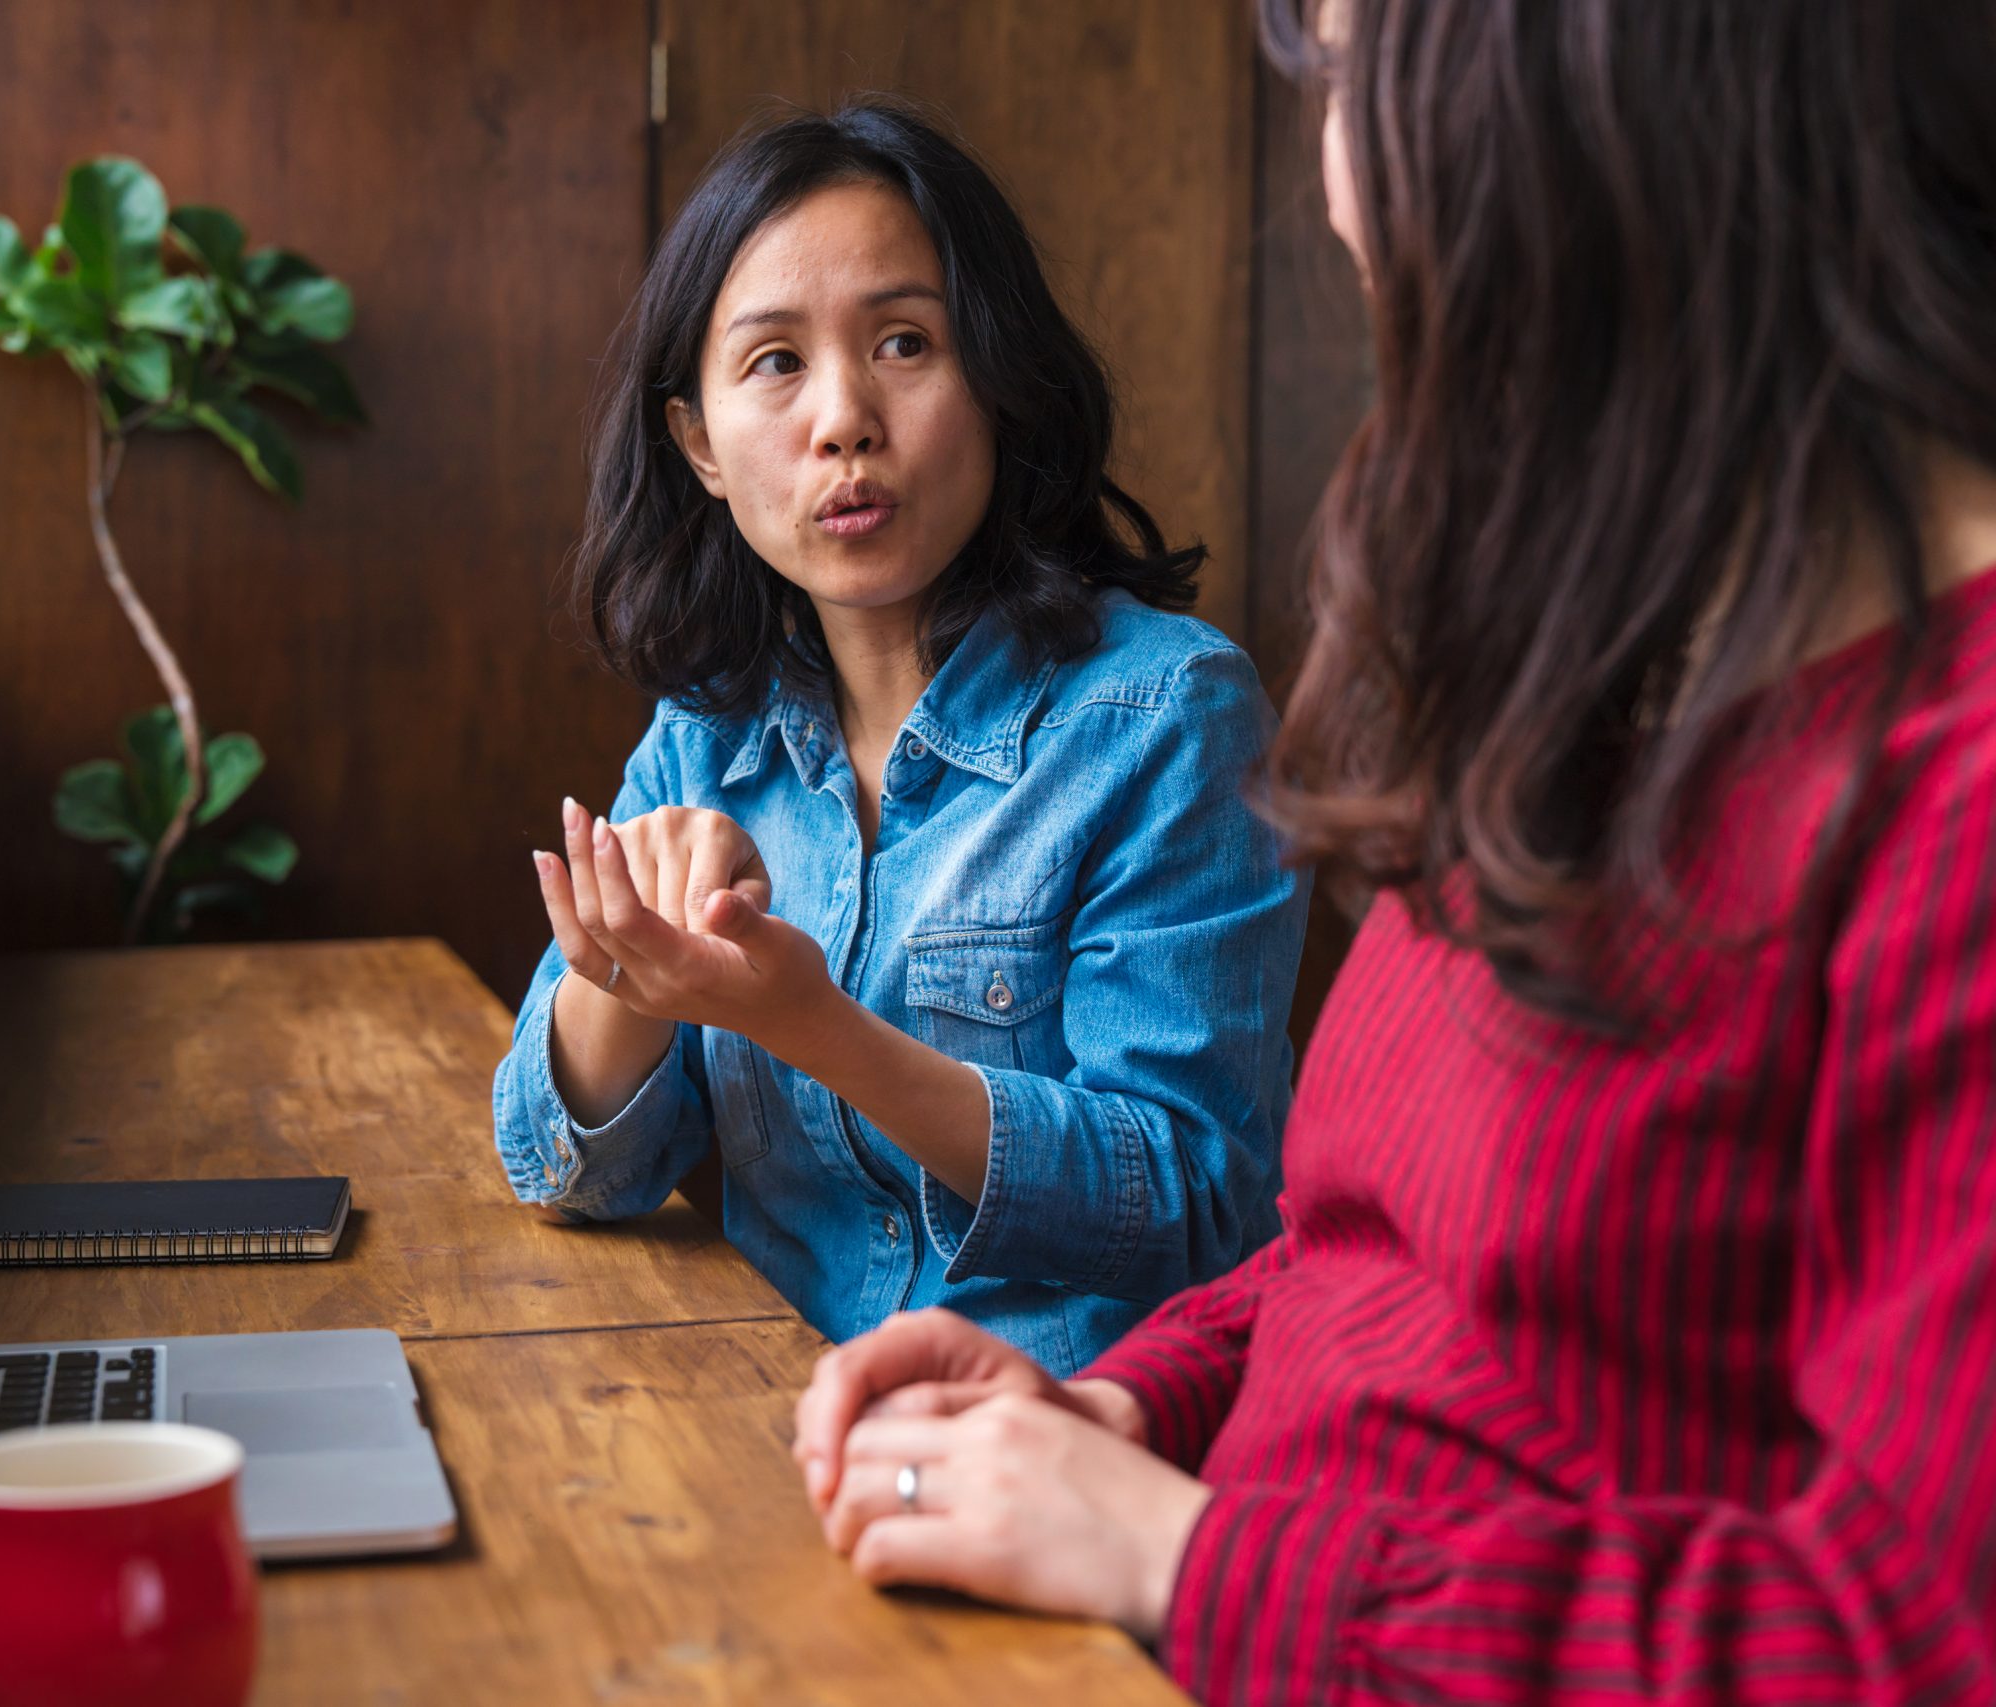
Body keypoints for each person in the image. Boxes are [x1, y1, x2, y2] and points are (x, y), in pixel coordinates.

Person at [791, 3, 1996, 1701]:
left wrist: (1178, 1552)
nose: (1344, 196)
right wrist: (1127, 1410)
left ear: (1622, 119)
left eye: (1361, 83)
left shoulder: (1953, 787)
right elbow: (1374, 1253)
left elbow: (1914, 1644)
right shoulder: (1620, 661)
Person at [490, 101, 1309, 1375]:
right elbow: (561, 1172)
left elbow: (1194, 1202)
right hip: (765, 1438)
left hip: (1053, 1457)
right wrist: (629, 969)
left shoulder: (1168, 715)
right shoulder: (706, 739)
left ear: (996, 382)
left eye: (905, 343)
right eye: (774, 363)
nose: (843, 420)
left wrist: (809, 1023)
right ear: (699, 443)